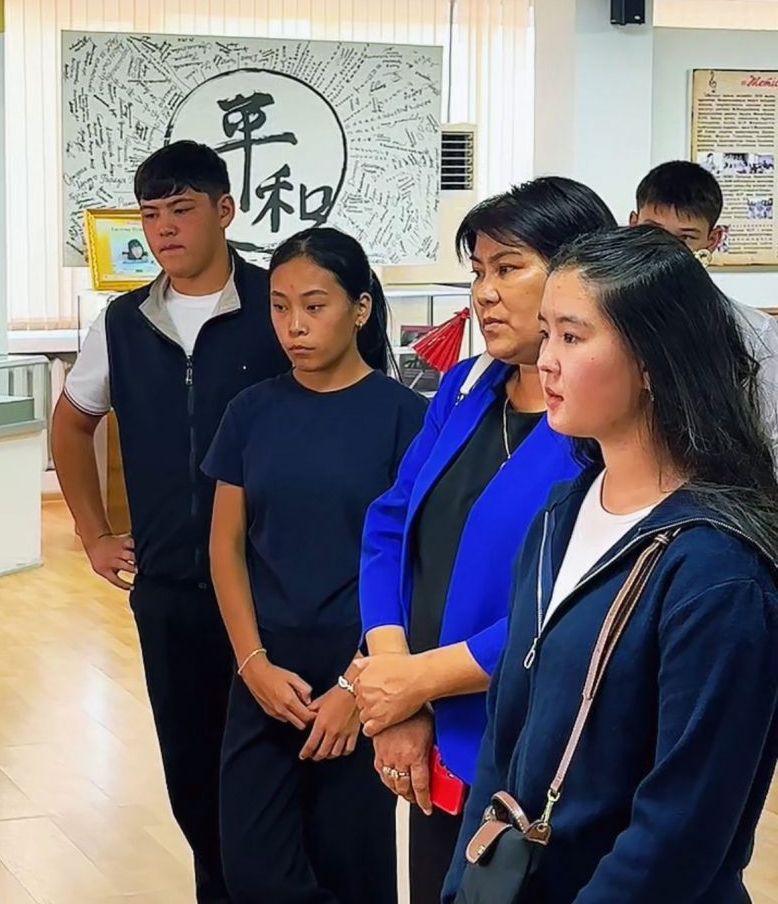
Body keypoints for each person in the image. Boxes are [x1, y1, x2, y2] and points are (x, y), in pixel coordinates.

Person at [444, 226, 778, 904]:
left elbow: (678, 834)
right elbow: (503, 745)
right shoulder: (558, 518)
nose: (546, 360)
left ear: (654, 360)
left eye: (573, 336)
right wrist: (462, 887)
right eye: (547, 334)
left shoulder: (717, 570)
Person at [354, 177, 618, 903]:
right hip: (430, 733)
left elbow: (579, 600)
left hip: (533, 750)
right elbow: (390, 528)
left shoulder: (602, 423)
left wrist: (420, 682)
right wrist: (396, 682)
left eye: (508, 268)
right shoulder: (467, 388)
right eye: (477, 271)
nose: (484, 293)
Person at [52, 141, 288, 904]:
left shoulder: (278, 306)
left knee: (275, 773)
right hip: (169, 592)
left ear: (225, 210)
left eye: (181, 210)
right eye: (151, 215)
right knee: (191, 774)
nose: (164, 230)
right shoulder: (124, 322)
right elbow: (73, 421)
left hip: (273, 586)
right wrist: (92, 532)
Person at [203, 228, 427, 904]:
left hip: (361, 674)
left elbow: (416, 563)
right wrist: (251, 664)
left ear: (360, 309)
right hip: (266, 670)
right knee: (251, 868)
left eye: (314, 305)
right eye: (279, 307)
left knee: (351, 869)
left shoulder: (409, 419)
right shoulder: (251, 412)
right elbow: (225, 547)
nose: (293, 326)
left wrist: (357, 687)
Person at [630, 160, 778, 461]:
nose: (665, 249)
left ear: (713, 240)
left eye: (685, 238)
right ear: (632, 225)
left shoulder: (753, 331)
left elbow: (770, 436)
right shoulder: (608, 318)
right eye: (652, 232)